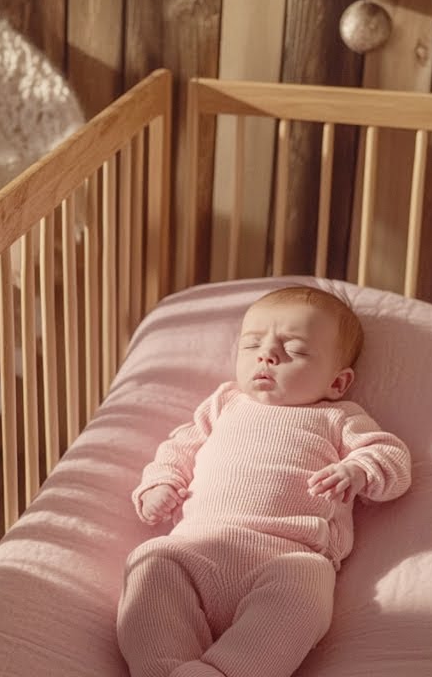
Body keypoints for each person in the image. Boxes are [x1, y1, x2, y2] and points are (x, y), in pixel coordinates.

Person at [116, 286, 412, 677]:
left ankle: (230, 671)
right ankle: (166, 668)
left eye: (296, 350)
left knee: (306, 591)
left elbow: (393, 459)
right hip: (195, 548)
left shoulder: (338, 417)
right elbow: (178, 447)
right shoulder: (225, 402)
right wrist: (161, 484)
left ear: (337, 383)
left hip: (287, 556)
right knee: (150, 562)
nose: (267, 356)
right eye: (252, 344)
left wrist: (358, 470)